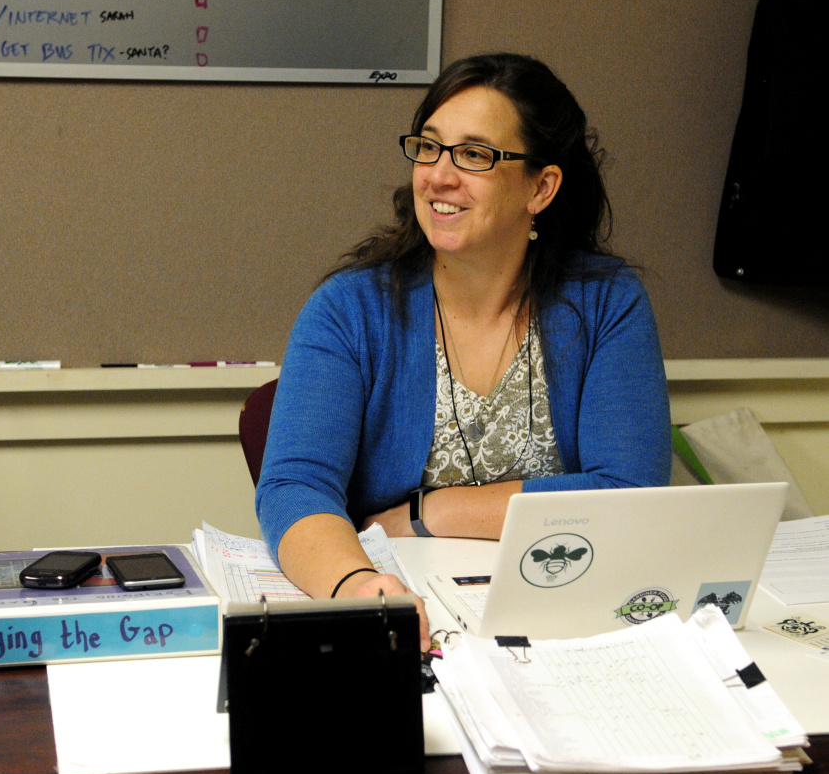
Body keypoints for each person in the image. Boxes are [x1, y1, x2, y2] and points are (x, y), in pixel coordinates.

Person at [255, 53, 671, 648]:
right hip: (411, 611)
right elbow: (294, 487)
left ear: (541, 187)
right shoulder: (349, 309)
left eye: (475, 155)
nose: (439, 176)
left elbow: (632, 495)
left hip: (568, 617)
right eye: (429, 147)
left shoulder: (607, 303)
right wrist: (356, 585)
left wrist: (433, 511)